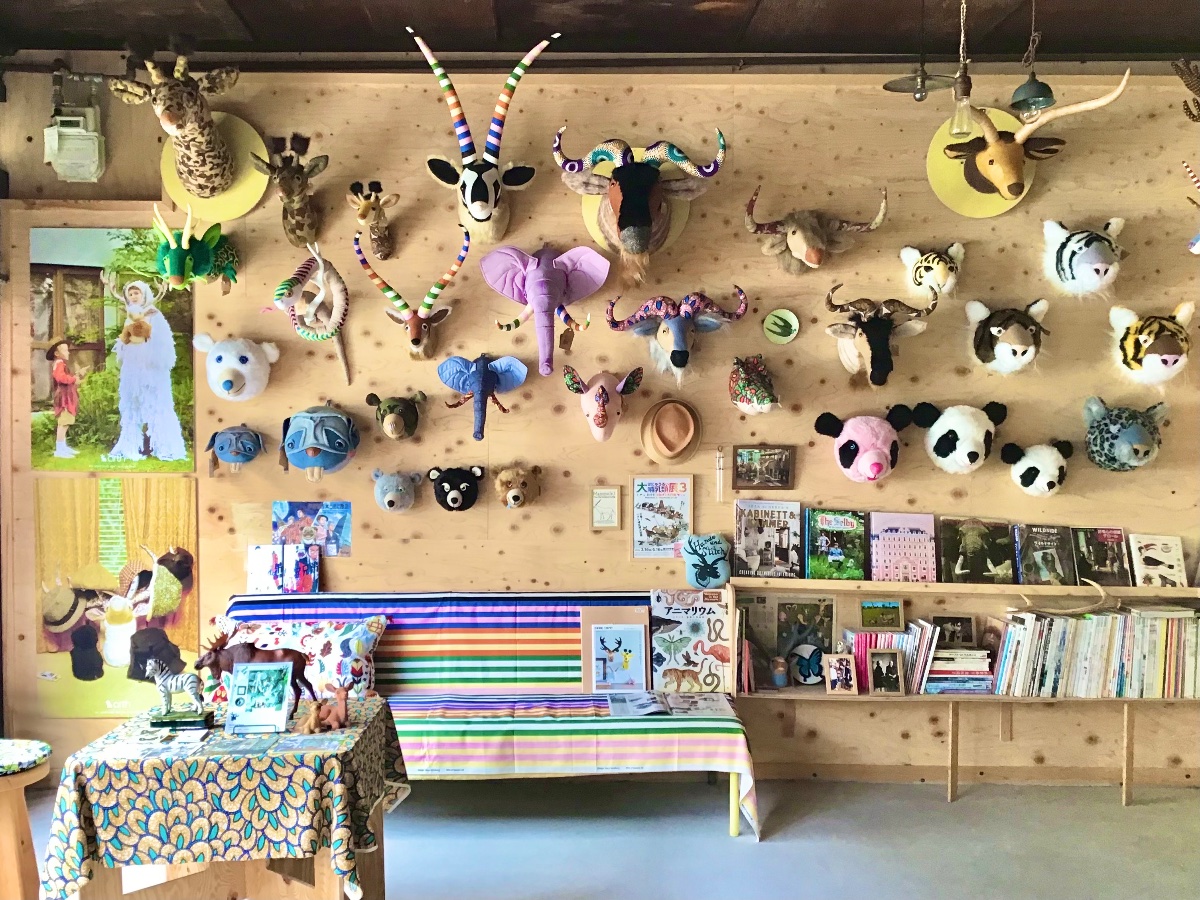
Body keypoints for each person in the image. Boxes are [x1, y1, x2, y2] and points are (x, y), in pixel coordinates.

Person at [46, 340, 81, 458]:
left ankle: (63, 447)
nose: (68, 352)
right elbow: (60, 378)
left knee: (65, 423)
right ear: (57, 353)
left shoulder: (61, 363)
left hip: (66, 396)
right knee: (63, 422)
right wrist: (73, 379)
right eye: (65, 350)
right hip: (64, 398)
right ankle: (59, 450)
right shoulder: (59, 363)